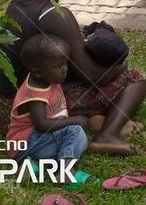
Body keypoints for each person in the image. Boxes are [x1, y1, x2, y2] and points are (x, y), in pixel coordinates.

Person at [0, 0, 146, 155]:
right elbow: (90, 75)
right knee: (134, 80)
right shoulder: (55, 14)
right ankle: (107, 134)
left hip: (9, 104)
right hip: (33, 112)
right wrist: (121, 66)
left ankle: (98, 120)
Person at [6, 35, 88, 176]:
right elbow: (42, 125)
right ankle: (66, 172)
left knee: (72, 143)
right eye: (59, 66)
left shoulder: (47, 78)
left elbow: (55, 93)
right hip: (26, 143)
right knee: (76, 132)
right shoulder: (35, 94)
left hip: (32, 144)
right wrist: (75, 120)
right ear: (37, 72)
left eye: (65, 63)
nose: (65, 69)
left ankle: (35, 166)